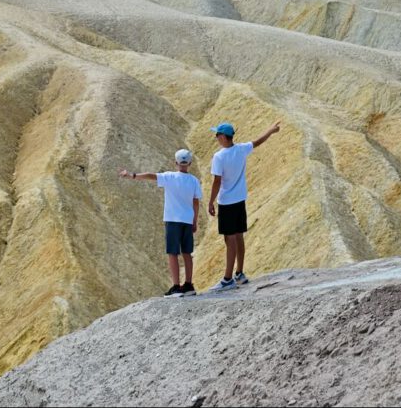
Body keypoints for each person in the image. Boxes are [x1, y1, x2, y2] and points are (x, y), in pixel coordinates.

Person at [207, 119, 281, 291]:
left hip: (226, 202)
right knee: (239, 236)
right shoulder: (240, 149)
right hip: (240, 199)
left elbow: (217, 181)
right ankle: (239, 273)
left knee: (229, 239)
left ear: (224, 137)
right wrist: (270, 129)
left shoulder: (219, 157)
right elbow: (257, 141)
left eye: (217, 135)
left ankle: (227, 279)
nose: (216, 137)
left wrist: (211, 201)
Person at [118, 148, 202, 296]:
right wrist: (194, 221)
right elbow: (196, 203)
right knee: (187, 253)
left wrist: (132, 175)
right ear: (190, 163)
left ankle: (176, 286)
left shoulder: (169, 177)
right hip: (187, 220)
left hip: (173, 220)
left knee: (172, 253)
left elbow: (151, 176)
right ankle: (188, 285)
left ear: (175, 162)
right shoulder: (194, 181)